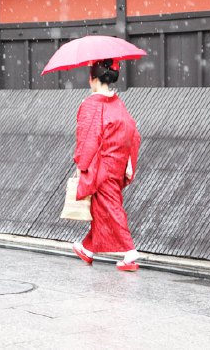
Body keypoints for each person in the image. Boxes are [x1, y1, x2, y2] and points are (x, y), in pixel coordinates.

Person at [72, 59, 141, 271]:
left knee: (111, 208)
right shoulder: (117, 103)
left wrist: (81, 164)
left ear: (92, 79)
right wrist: (124, 159)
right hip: (118, 161)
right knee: (101, 208)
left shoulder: (91, 104)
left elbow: (87, 138)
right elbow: (132, 132)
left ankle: (130, 253)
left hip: (101, 164)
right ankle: (87, 248)